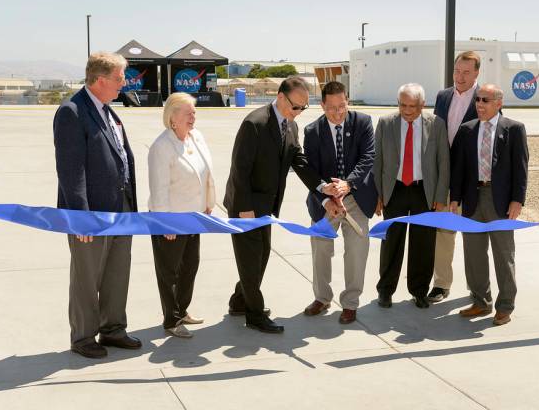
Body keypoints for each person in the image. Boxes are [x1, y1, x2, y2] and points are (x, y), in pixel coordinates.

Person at [223, 76, 339, 333]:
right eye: (295, 106)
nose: (297, 112)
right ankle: (254, 315)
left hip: (267, 206)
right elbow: (239, 169)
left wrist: (321, 187)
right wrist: (244, 208)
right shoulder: (255, 123)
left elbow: (298, 161)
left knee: (261, 255)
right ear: (280, 97)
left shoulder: (290, 126)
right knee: (252, 258)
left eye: (302, 108)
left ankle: (240, 300)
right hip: (247, 205)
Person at [53, 52, 141, 358]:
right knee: (86, 278)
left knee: (117, 274)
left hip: (121, 211)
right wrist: (80, 217)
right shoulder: (72, 112)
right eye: (120, 79)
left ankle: (113, 329)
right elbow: (70, 171)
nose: (124, 84)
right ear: (100, 80)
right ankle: (83, 336)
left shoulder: (108, 111)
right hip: (91, 215)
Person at [450, 84, 529, 326]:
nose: (480, 104)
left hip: (501, 201)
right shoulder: (466, 130)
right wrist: (455, 198)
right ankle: (480, 301)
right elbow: (459, 169)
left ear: (499, 103)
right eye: (478, 100)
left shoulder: (514, 129)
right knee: (474, 254)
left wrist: (518, 199)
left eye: (485, 100)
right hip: (473, 200)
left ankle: (505, 306)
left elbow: (521, 168)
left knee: (503, 254)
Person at [302, 81, 377, 324]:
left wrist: (348, 184)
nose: (337, 113)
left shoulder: (363, 122)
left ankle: (350, 303)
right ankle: (322, 298)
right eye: (331, 108)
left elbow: (368, 157)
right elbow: (311, 170)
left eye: (342, 106)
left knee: (356, 251)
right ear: (322, 105)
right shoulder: (312, 131)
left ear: (347, 101)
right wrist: (328, 195)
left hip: (356, 196)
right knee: (321, 249)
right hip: (326, 200)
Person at [373, 83, 450, 309]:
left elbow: (443, 163)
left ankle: (419, 291)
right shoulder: (386, 123)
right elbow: (377, 161)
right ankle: (385, 290)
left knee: (423, 244)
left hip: (423, 191)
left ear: (423, 105)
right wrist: (378, 194)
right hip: (394, 190)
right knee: (391, 243)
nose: (407, 111)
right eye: (402, 105)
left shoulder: (436, 124)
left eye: (412, 106)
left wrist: (440, 196)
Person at [148, 92, 216, 339]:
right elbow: (159, 189)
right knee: (169, 272)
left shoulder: (195, 137)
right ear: (172, 117)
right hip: (171, 220)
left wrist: (208, 202)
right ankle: (171, 319)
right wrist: (166, 223)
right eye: (188, 113)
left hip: (194, 216)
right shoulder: (161, 147)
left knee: (190, 266)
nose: (193, 117)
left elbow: (205, 173)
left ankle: (182, 309)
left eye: (194, 112)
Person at [428, 51, 481, 303]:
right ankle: (441, 284)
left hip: (473, 182)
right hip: (445, 177)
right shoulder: (442, 96)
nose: (460, 77)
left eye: (466, 72)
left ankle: (477, 287)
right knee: (443, 232)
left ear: (477, 74)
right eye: (456, 71)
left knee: (474, 237)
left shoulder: (486, 98)